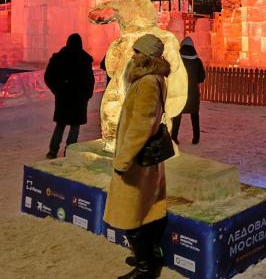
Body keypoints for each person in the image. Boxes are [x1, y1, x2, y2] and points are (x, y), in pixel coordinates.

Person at [104, 34, 170, 279]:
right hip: (144, 159)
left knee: (131, 214)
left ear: (148, 56)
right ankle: (150, 256)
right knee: (148, 209)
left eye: (137, 52)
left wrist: (123, 159)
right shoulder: (153, 78)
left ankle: (146, 267)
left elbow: (142, 125)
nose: (133, 55)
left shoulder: (148, 82)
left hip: (136, 161)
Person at [44, 33, 95, 159]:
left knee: (60, 124)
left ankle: (53, 151)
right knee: (74, 126)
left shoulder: (59, 58)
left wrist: (57, 90)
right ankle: (70, 151)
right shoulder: (84, 59)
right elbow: (90, 79)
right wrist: (87, 94)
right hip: (79, 98)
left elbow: (48, 76)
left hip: (63, 97)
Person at [171, 37, 206, 145]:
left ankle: (174, 137)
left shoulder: (177, 61)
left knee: (177, 115)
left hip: (179, 92)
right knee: (194, 115)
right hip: (193, 93)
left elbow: (172, 75)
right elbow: (202, 77)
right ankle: (196, 137)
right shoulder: (197, 61)